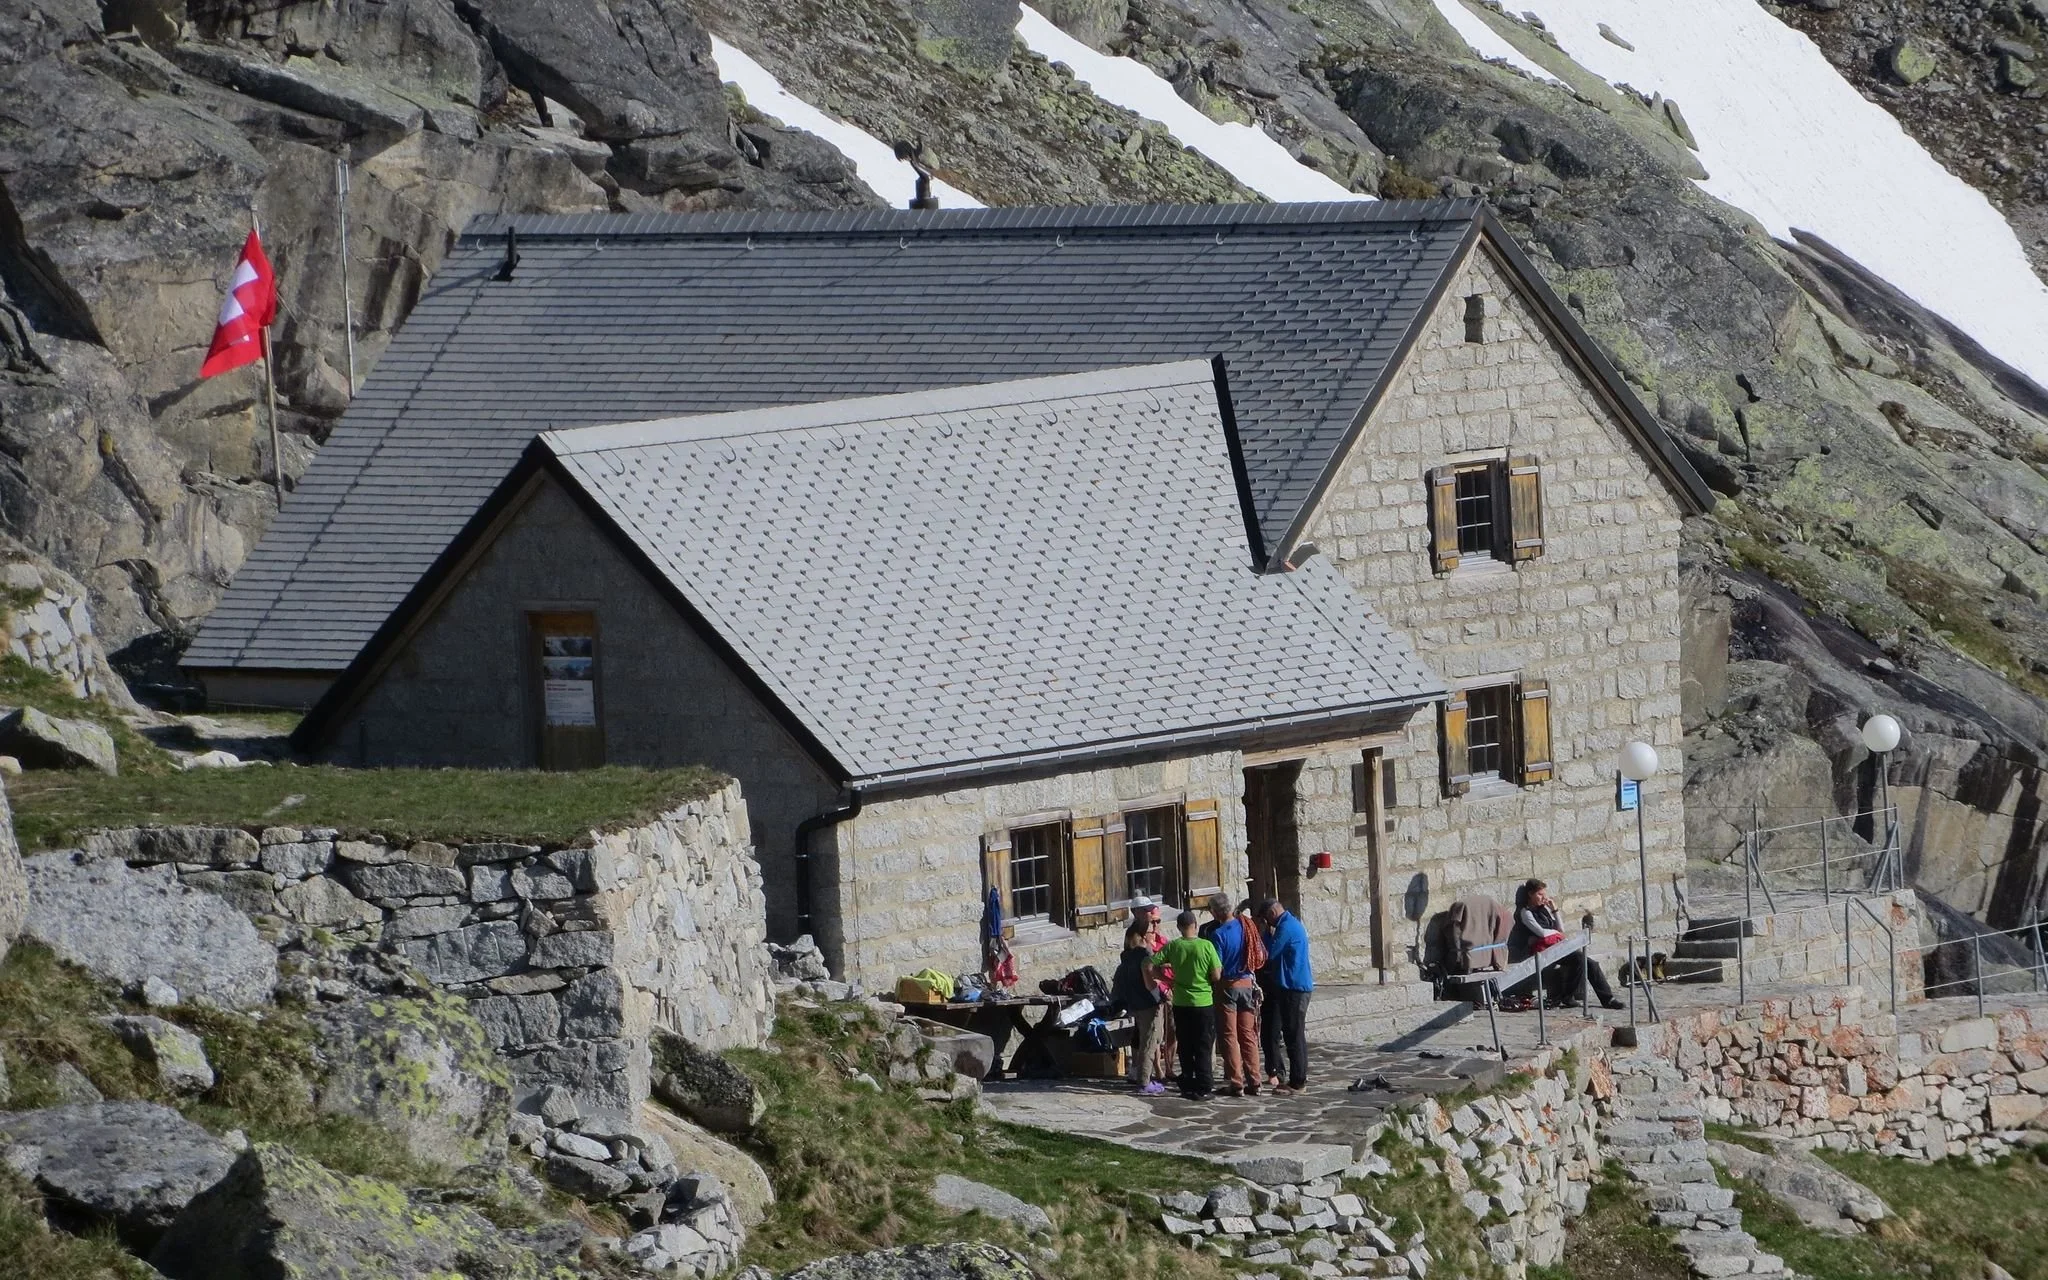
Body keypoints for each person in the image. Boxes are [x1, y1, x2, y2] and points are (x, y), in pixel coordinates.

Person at [1515, 878, 1624, 1010]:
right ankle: (1567, 997)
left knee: (1587, 962)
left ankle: (1607, 999)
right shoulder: (1525, 913)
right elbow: (1541, 933)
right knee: (1579, 960)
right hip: (1542, 951)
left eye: (1544, 894)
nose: (1543, 898)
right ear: (1530, 894)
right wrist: (1556, 934)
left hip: (1556, 947)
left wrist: (1555, 911)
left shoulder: (1544, 910)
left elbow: (1561, 930)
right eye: (1540, 894)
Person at [1151, 909, 1222, 1100]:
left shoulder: (1174, 946)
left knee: (1185, 1043)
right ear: (1195, 926)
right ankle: (1204, 1084)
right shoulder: (1206, 946)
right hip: (1203, 1002)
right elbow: (1216, 975)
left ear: (1179, 927)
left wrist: (1166, 980)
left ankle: (1188, 1081)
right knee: (1203, 1045)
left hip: (1181, 1002)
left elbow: (1150, 965)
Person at [1200, 894, 1264, 1096]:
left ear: (1215, 912)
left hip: (1227, 986)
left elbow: (1216, 967)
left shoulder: (1218, 934)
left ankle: (1236, 1082)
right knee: (1248, 1035)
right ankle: (1255, 1081)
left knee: (1229, 1035)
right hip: (1247, 984)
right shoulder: (1246, 927)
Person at [1260, 897, 1313, 1093]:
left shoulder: (1286, 927)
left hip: (1294, 988)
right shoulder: (1291, 923)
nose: (1268, 923)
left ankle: (1298, 1081)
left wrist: (1266, 933)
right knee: (1293, 1034)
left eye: (1267, 919)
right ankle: (1297, 1078)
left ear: (1272, 914)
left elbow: (1268, 953)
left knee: (1294, 1036)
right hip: (1293, 987)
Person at [1111, 923, 1167, 1095]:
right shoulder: (1145, 956)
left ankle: (1143, 1078)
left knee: (1147, 1040)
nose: (1154, 933)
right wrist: (1161, 993)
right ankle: (1144, 1081)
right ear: (1143, 937)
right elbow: (1150, 982)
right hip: (1149, 1004)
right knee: (1150, 1043)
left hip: (1135, 1005)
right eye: (1151, 931)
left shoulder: (1127, 957)